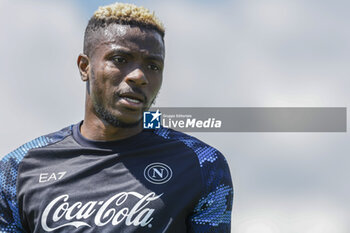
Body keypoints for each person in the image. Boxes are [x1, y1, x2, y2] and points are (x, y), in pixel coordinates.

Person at [0, 2, 233, 233]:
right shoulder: (18, 169)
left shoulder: (202, 165)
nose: (139, 76)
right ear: (84, 67)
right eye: (120, 59)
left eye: (153, 66)